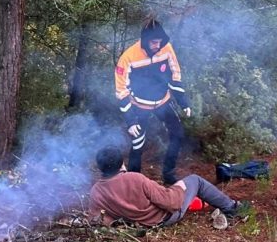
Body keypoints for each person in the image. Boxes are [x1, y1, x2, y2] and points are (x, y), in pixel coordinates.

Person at [89, 146, 251, 229]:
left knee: (182, 186)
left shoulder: (96, 191)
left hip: (137, 225)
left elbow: (99, 220)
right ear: (121, 164)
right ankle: (233, 208)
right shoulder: (134, 178)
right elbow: (171, 203)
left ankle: (224, 207)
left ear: (100, 167)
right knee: (195, 180)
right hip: (163, 219)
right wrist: (179, 188)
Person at [115, 19, 190, 185]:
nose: (157, 46)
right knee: (137, 143)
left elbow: (175, 74)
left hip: (163, 102)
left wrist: (183, 102)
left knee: (177, 135)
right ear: (145, 41)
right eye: (154, 42)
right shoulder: (128, 57)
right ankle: (135, 182)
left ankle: (169, 174)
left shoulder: (166, 48)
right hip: (139, 106)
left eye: (159, 42)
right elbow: (121, 91)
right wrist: (130, 121)